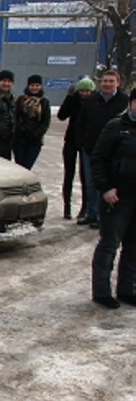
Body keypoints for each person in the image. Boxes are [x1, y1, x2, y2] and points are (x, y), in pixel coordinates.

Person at [89, 88, 136, 309]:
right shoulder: (116, 127)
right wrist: (106, 188)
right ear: (132, 104)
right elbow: (97, 160)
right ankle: (102, 291)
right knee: (109, 244)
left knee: (133, 246)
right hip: (117, 197)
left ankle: (127, 289)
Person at [75, 70, 129, 229]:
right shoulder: (91, 101)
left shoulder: (124, 102)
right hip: (91, 149)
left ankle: (105, 215)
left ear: (118, 83)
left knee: (110, 184)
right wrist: (82, 144)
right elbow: (80, 123)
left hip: (115, 152)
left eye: (111, 81)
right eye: (105, 81)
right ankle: (93, 214)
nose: (107, 84)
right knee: (91, 183)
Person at [57, 77, 96, 219]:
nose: (84, 94)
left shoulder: (94, 102)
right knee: (69, 174)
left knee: (86, 176)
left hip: (86, 142)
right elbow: (61, 115)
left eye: (87, 91)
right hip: (71, 140)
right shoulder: (73, 100)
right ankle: (67, 206)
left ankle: (85, 207)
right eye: (82, 91)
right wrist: (69, 99)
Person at [12, 74, 51, 169]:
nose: (34, 88)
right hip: (20, 139)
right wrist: (22, 130)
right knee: (19, 166)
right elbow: (15, 117)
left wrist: (36, 133)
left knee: (28, 166)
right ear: (28, 86)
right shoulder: (21, 100)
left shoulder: (44, 102)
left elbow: (46, 121)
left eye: (37, 85)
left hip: (35, 141)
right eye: (32, 85)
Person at [0, 69, 16, 159]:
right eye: (4, 81)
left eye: (9, 81)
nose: (6, 84)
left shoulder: (12, 98)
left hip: (7, 140)